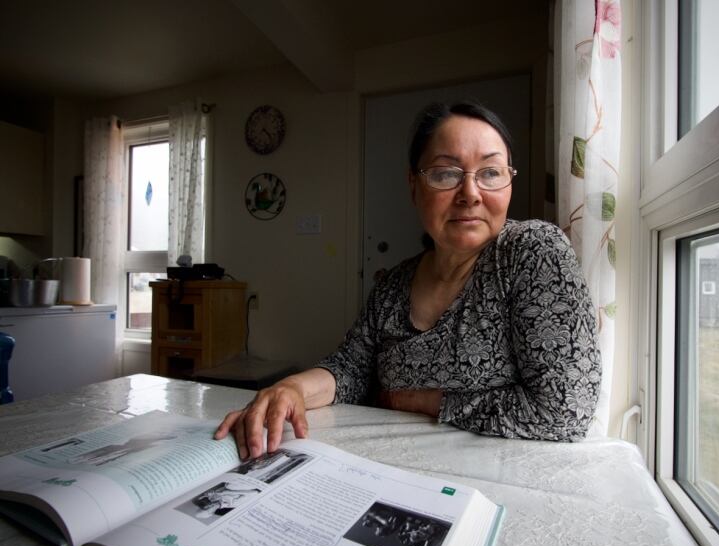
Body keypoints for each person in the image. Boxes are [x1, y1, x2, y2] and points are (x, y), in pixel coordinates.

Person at [215, 101, 601, 459]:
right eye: (446, 173)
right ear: (414, 185)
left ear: (509, 183)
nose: (470, 193)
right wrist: (291, 388)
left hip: (504, 479)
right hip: (398, 466)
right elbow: (350, 368)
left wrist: (425, 401)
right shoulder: (394, 285)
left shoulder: (531, 253)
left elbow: (565, 410)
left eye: (490, 173)